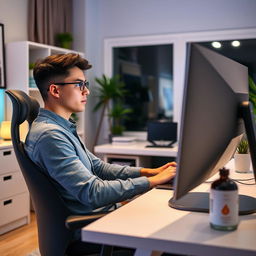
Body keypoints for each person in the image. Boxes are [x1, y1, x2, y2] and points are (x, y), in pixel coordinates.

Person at [25, 53, 176, 253]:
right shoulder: (50, 136)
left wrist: (149, 172)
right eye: (79, 84)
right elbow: (92, 193)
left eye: (85, 83)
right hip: (90, 231)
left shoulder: (62, 128)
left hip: (103, 219)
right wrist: (151, 183)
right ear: (55, 90)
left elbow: (97, 167)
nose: (86, 91)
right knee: (174, 235)